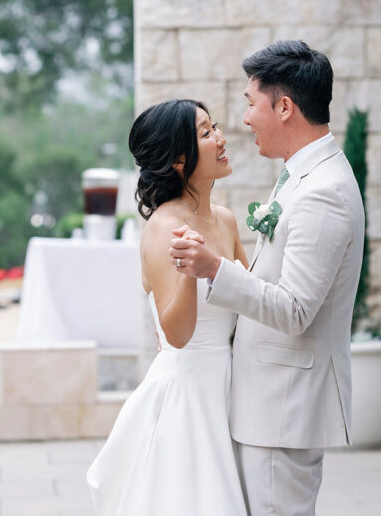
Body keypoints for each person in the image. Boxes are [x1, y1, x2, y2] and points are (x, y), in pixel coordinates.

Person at [171, 40, 365, 516]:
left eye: (250, 104)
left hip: (283, 410)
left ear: (284, 106)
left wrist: (215, 269)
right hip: (267, 407)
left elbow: (295, 311)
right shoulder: (299, 176)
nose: (243, 120)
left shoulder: (324, 192)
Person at [87, 99, 249, 515]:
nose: (221, 139)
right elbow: (175, 335)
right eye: (206, 133)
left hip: (229, 388)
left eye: (216, 128)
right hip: (188, 396)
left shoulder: (227, 220)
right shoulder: (164, 228)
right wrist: (194, 275)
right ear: (179, 158)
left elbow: (252, 301)